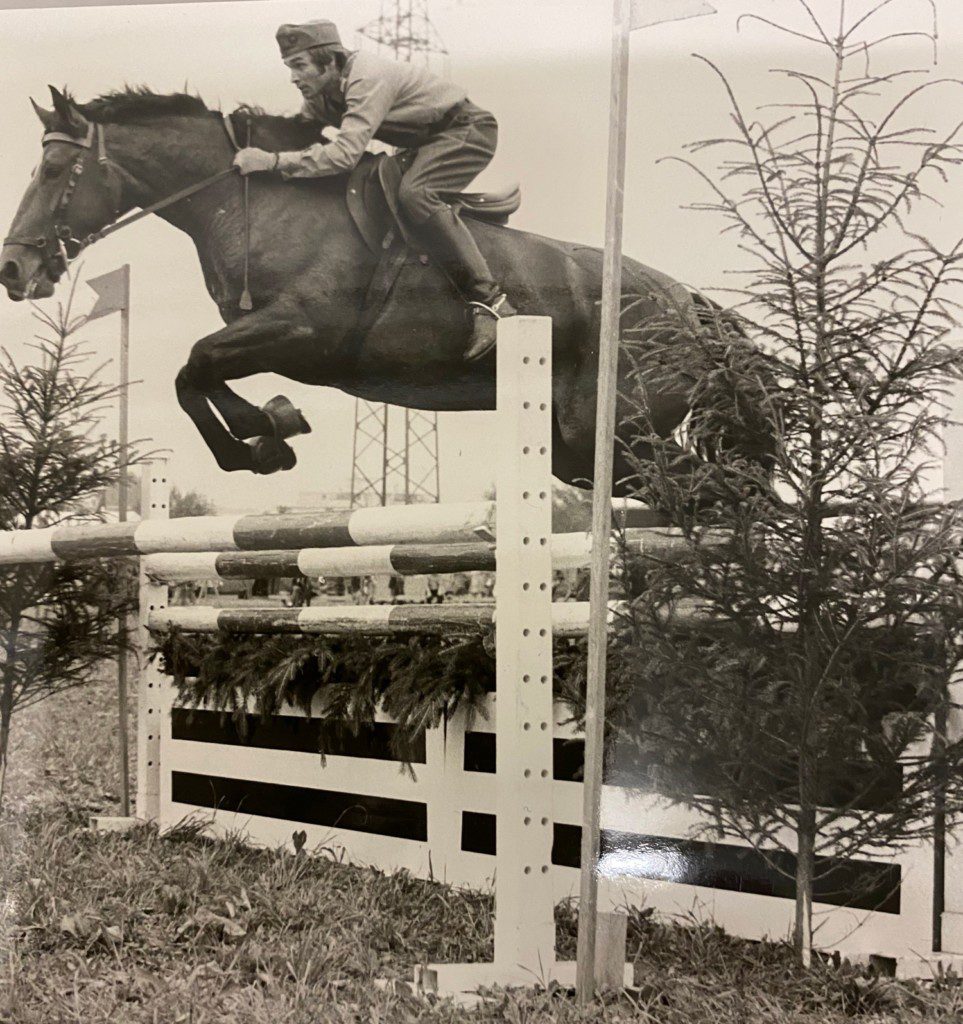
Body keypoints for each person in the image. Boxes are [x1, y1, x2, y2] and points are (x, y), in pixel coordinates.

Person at [234, 19, 516, 362]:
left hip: (466, 131)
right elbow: (302, 133)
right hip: (422, 143)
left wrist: (273, 161)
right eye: (289, 67)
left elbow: (343, 155)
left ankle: (492, 302)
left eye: (299, 66)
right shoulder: (321, 93)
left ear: (330, 61)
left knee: (415, 194)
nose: (293, 77)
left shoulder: (367, 77)